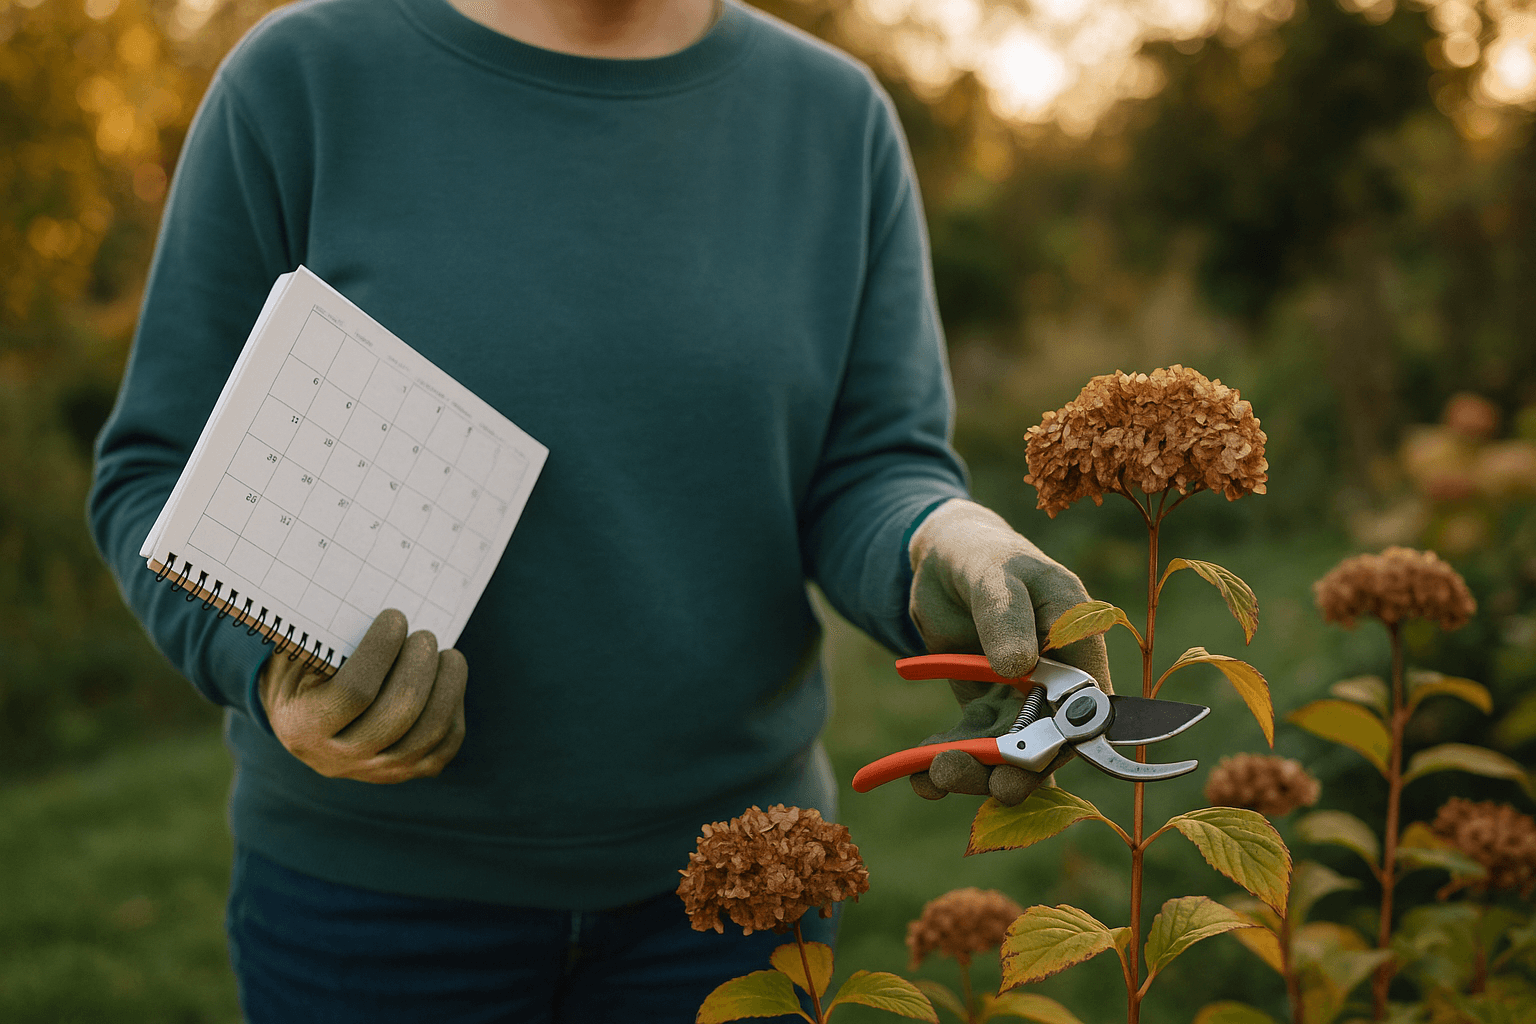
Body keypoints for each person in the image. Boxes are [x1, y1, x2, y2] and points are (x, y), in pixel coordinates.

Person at [88, 0, 1109, 1020]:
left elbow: (869, 466)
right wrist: (264, 673)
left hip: (735, 898)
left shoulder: (834, 120)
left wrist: (952, 538)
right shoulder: (300, 82)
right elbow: (152, 470)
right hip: (372, 909)